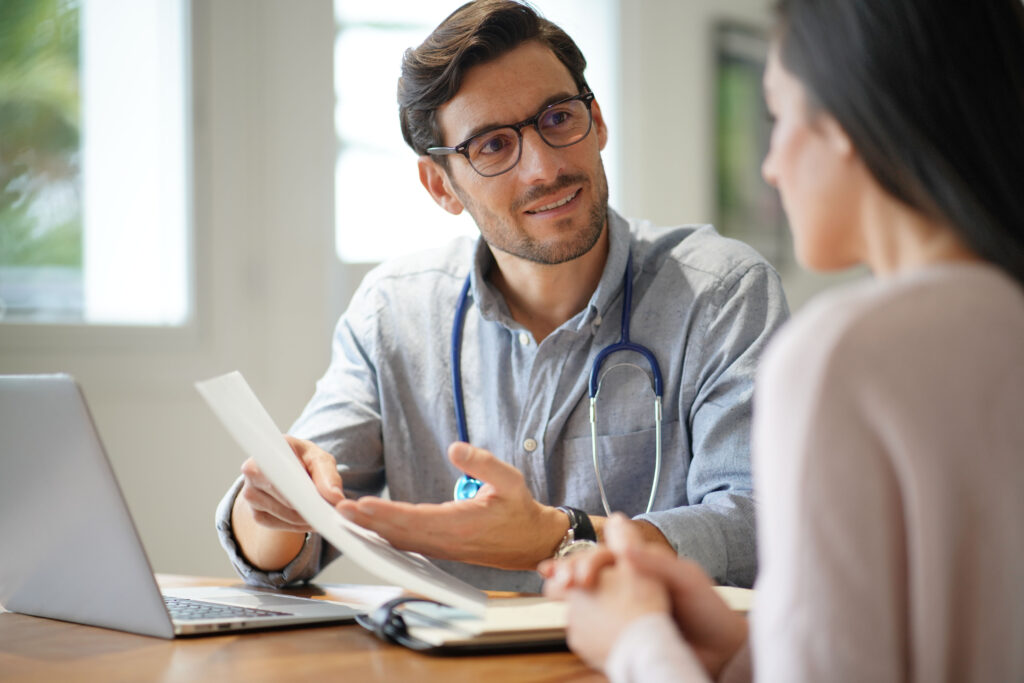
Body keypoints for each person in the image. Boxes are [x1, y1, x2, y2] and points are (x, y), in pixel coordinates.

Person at [215, 0, 788, 594]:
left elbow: (757, 524)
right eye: (491, 146)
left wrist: (558, 537)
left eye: (559, 118)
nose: (544, 167)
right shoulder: (395, 314)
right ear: (441, 186)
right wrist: (275, 505)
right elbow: (281, 544)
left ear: (598, 120)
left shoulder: (721, 295)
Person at [541, 0, 1024, 680]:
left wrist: (634, 640)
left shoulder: (845, 354)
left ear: (849, 121)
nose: (771, 164)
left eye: (780, 115)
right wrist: (743, 651)